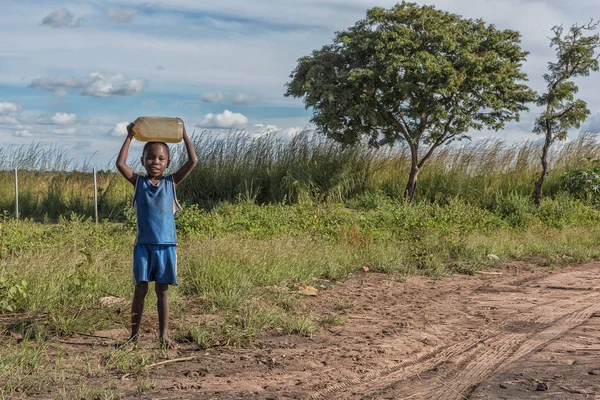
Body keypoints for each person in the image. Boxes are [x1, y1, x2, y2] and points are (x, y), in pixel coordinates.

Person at [115, 120, 198, 349]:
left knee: (162, 291)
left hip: (166, 246)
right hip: (143, 246)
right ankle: (133, 338)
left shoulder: (171, 182)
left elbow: (193, 161)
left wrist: (184, 135)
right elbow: (120, 164)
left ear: (168, 162)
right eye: (150, 158)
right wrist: (130, 136)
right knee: (140, 290)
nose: (155, 162)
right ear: (142, 160)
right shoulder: (139, 183)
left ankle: (163, 338)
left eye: (161, 159)